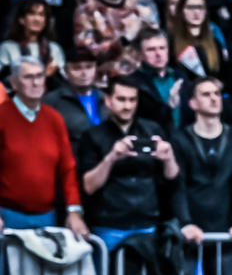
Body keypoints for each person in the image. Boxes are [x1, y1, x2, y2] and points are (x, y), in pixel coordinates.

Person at [75, 76, 178, 252]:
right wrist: (111, 158)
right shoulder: (92, 136)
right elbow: (88, 186)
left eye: (132, 100)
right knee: (107, 271)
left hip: (148, 222)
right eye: (121, 99)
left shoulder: (153, 130)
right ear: (108, 101)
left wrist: (169, 158)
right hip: (108, 224)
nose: (127, 106)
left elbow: (172, 179)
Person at [172, 75, 232, 275]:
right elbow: (178, 186)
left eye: (217, 93)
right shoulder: (180, 139)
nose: (214, 98)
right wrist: (185, 222)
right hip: (190, 228)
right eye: (206, 94)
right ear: (193, 103)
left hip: (226, 229)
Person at [0, 56, 86, 238]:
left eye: (39, 76)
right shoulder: (2, 116)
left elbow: (68, 169)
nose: (36, 82)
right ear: (14, 83)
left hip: (47, 216)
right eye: (28, 77)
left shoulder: (54, 119)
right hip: (7, 216)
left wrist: (74, 211)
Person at [75, 0, 154, 78]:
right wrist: (119, 40)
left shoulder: (138, 11)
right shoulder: (86, 12)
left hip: (140, 80)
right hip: (104, 80)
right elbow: (88, 53)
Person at [124, 27, 183, 127]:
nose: (158, 54)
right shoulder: (133, 83)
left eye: (162, 48)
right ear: (140, 54)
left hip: (184, 135)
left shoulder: (180, 76)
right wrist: (169, 106)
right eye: (151, 49)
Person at [43, 55, 104, 151]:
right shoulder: (52, 101)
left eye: (89, 67)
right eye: (77, 68)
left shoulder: (105, 98)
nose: (84, 73)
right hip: (71, 155)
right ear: (66, 72)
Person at [0, 0, 65, 76]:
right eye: (32, 14)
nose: (37, 19)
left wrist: (50, 76)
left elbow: (63, 80)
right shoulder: (8, 48)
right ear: (21, 19)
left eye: (41, 14)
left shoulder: (53, 49)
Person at [169, 0, 227, 77]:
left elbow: (223, 75)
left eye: (200, 7)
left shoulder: (215, 43)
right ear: (181, 11)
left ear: (206, 11)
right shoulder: (171, 43)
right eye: (190, 7)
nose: (196, 12)